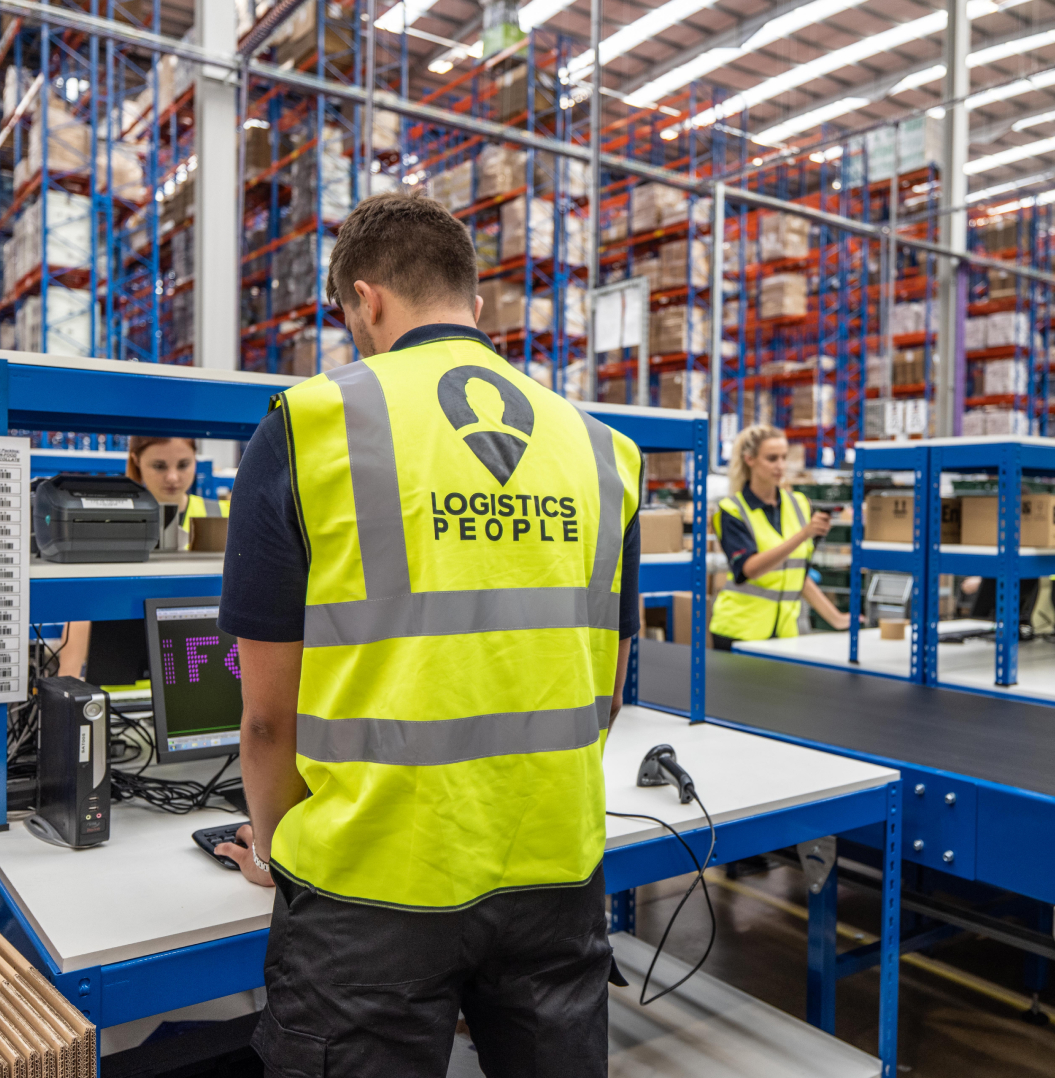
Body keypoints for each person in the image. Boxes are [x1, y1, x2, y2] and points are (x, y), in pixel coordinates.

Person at [211, 192, 642, 1078]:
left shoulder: (310, 425)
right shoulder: (602, 450)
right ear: (473, 304)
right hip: (557, 870)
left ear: (365, 301)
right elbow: (606, 691)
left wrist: (280, 852)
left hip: (369, 889)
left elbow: (266, 720)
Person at [55, 435, 227, 679]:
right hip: (122, 678)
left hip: (203, 670)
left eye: (183, 465)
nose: (173, 477)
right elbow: (88, 600)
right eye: (159, 466)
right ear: (136, 460)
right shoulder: (112, 518)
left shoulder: (224, 515)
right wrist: (68, 676)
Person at [708, 425, 852, 651]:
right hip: (739, 631)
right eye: (772, 458)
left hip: (784, 635)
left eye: (784, 457)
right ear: (749, 459)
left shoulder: (799, 505)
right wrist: (803, 535)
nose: (780, 465)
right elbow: (750, 569)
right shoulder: (732, 511)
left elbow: (798, 574)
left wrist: (837, 619)